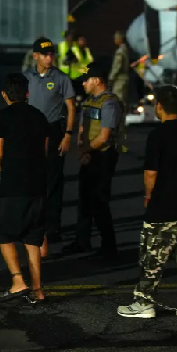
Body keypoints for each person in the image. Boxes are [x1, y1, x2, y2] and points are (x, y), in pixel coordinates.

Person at [117, 85, 177, 319]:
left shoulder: (158, 135)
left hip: (163, 207)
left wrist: (148, 197)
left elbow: (151, 173)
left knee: (151, 257)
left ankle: (143, 302)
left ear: (158, 106)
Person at [0, 73, 49, 304]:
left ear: (4, 95)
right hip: (38, 185)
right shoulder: (39, 116)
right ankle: (37, 289)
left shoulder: (1, 118)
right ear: (27, 93)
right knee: (32, 239)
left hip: (13, 186)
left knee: (3, 235)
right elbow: (44, 152)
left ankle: (18, 280)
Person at [61, 63, 121, 260]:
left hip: (104, 156)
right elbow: (82, 130)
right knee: (85, 199)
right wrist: (83, 151)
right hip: (90, 155)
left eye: (86, 79)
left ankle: (109, 245)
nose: (84, 83)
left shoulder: (110, 103)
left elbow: (104, 136)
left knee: (100, 201)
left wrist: (85, 150)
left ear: (97, 81)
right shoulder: (88, 102)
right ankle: (82, 241)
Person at [23, 38, 76, 245]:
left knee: (53, 181)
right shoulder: (27, 77)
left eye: (51, 54)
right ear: (35, 55)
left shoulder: (61, 78)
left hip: (54, 131)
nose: (49, 57)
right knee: (31, 181)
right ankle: (32, 223)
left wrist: (68, 134)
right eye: (44, 54)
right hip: (32, 133)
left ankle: (53, 227)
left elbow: (71, 107)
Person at [109, 31, 130, 152]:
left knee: (118, 105)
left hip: (119, 80)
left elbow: (116, 67)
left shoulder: (120, 52)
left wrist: (110, 79)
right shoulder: (125, 50)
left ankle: (119, 132)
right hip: (124, 79)